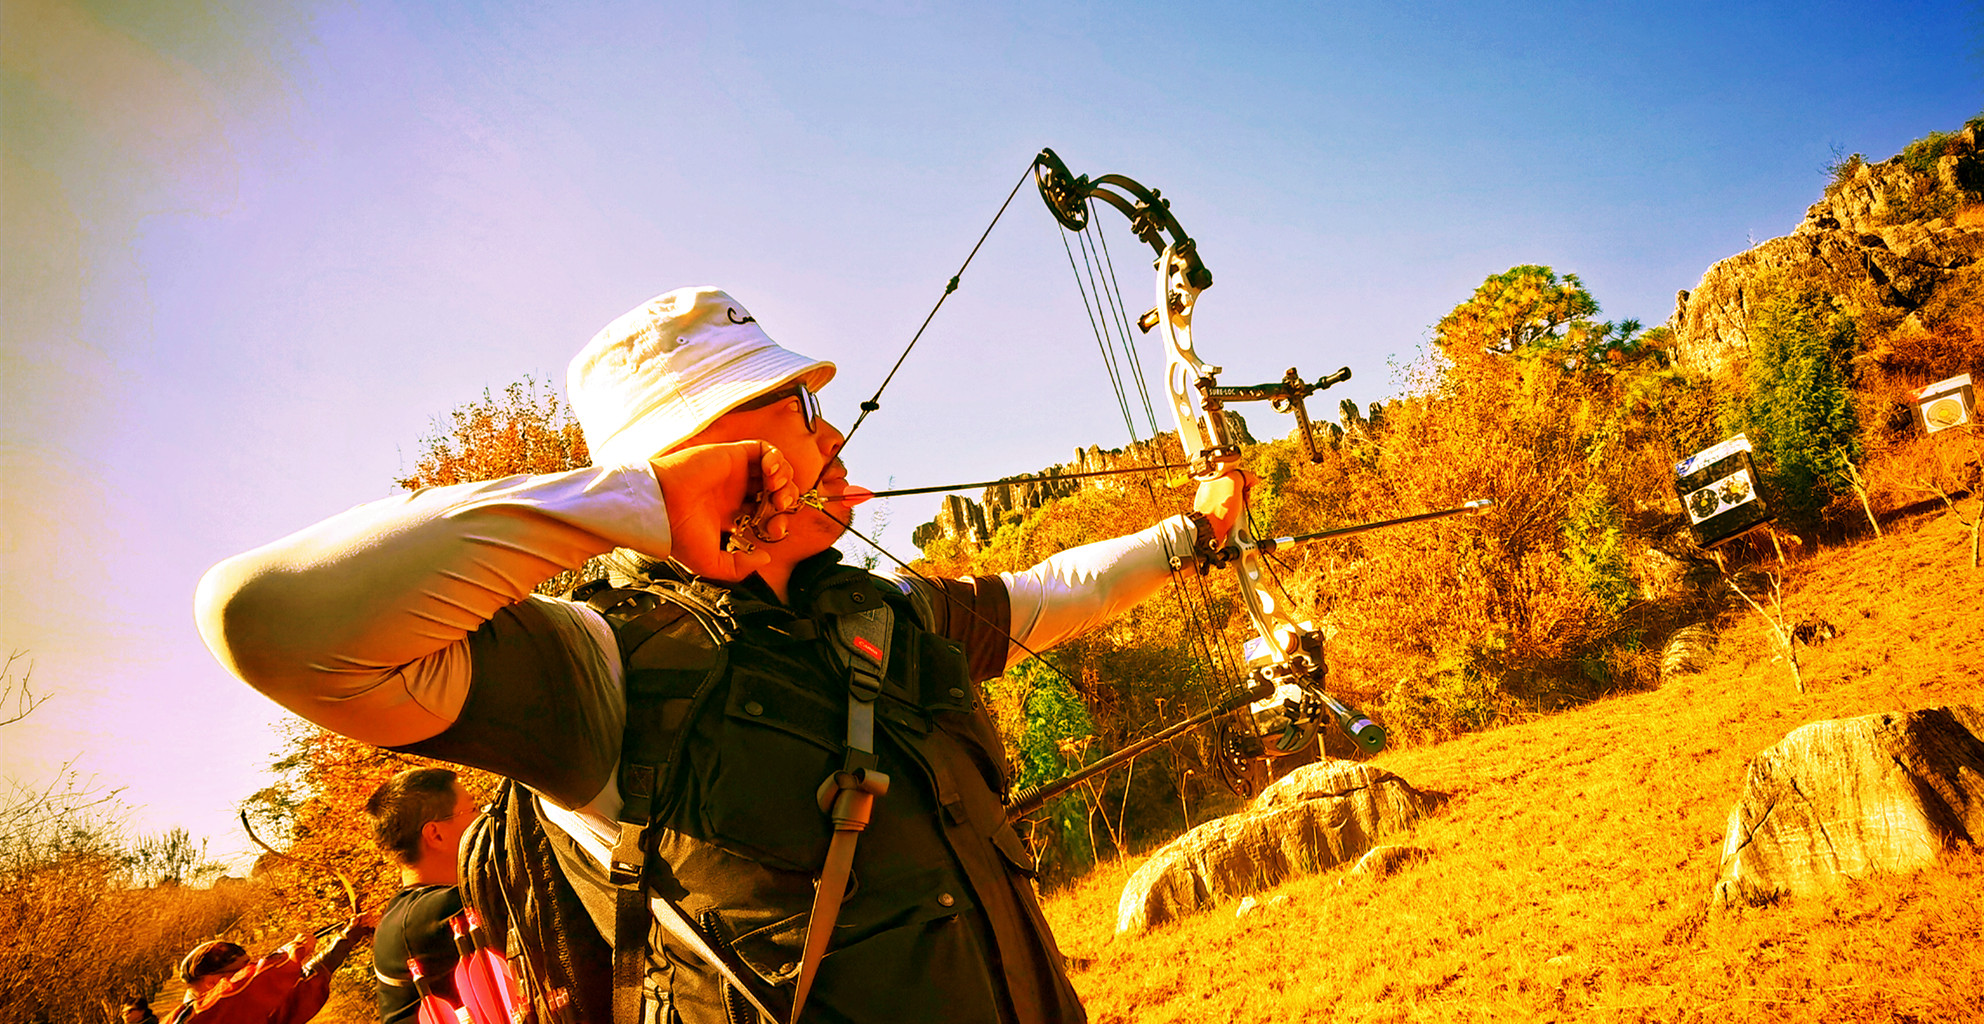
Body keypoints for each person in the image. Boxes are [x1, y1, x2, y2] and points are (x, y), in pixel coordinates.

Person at [196, 285, 1249, 1024]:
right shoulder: (597, 669)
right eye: (798, 406)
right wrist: (636, 503)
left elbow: (1053, 594)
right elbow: (261, 620)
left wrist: (1191, 533)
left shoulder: (885, 616)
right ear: (711, 444)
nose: (831, 431)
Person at [365, 768, 480, 1024]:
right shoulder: (434, 912)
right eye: (473, 810)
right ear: (435, 834)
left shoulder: (410, 910)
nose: (482, 819)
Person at [166, 913, 375, 1024]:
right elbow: (247, 987)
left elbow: (299, 995)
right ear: (212, 982)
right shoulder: (194, 1017)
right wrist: (291, 951)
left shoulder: (242, 1013)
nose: (250, 970)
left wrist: (346, 939)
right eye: (242, 970)